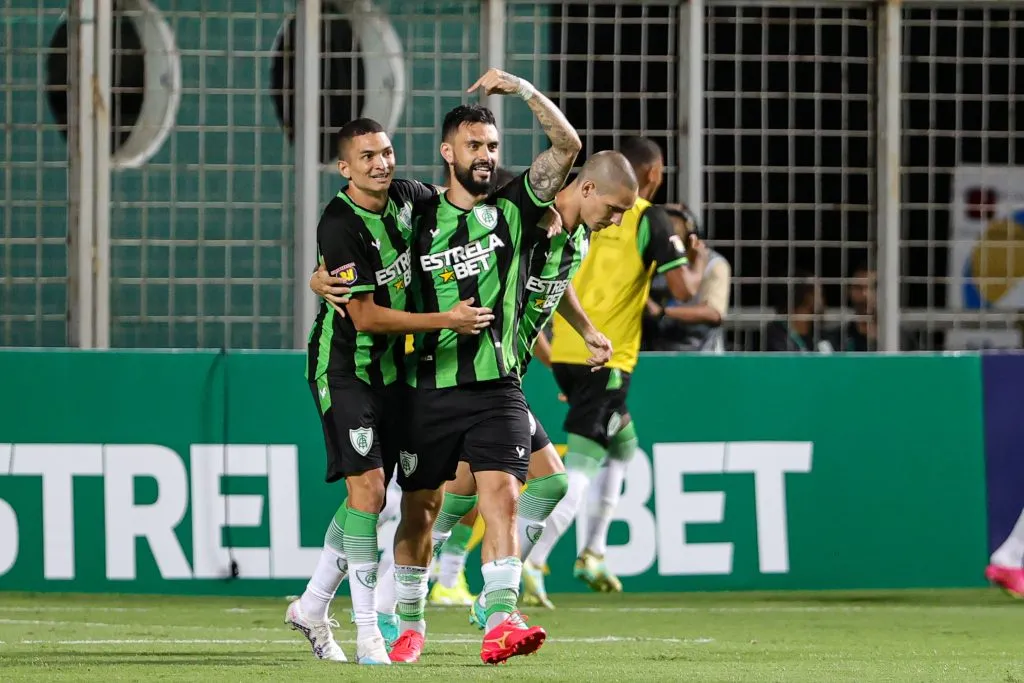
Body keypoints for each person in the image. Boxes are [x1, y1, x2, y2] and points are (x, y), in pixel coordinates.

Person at [387, 67, 583, 666]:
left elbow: (569, 146)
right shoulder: (416, 216)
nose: (485, 156)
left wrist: (522, 90)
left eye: (493, 147)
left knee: (503, 496)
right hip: (430, 388)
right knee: (420, 511)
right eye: (474, 145)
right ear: (448, 152)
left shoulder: (516, 208)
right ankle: (408, 619)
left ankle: (500, 617)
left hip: (499, 385)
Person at [286, 118, 493, 665]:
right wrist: (446, 318)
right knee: (371, 491)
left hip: (397, 377)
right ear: (344, 167)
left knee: (372, 497)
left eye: (386, 151)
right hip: (344, 370)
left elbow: (455, 205)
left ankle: (310, 606)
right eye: (367, 156)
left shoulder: (408, 197)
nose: (381, 163)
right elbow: (368, 317)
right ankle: (367, 636)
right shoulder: (338, 224)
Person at [429, 151, 634, 625]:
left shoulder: (574, 236)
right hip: (477, 378)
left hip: (504, 377)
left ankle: (420, 581)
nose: (619, 221)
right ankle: (492, 600)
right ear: (586, 190)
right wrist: (520, 88)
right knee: (543, 482)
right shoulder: (522, 226)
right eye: (615, 210)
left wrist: (584, 331)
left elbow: (551, 288)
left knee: (457, 495)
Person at [525, 136, 706, 603]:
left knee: (624, 447)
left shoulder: (584, 216)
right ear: (651, 173)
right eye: (661, 170)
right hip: (606, 357)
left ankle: (594, 552)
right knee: (579, 467)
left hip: (566, 351)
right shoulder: (648, 217)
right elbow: (683, 289)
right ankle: (532, 557)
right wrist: (697, 260)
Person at [764, 272, 829, 352]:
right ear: (807, 297)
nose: (823, 301)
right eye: (819, 294)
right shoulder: (775, 336)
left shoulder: (821, 336)